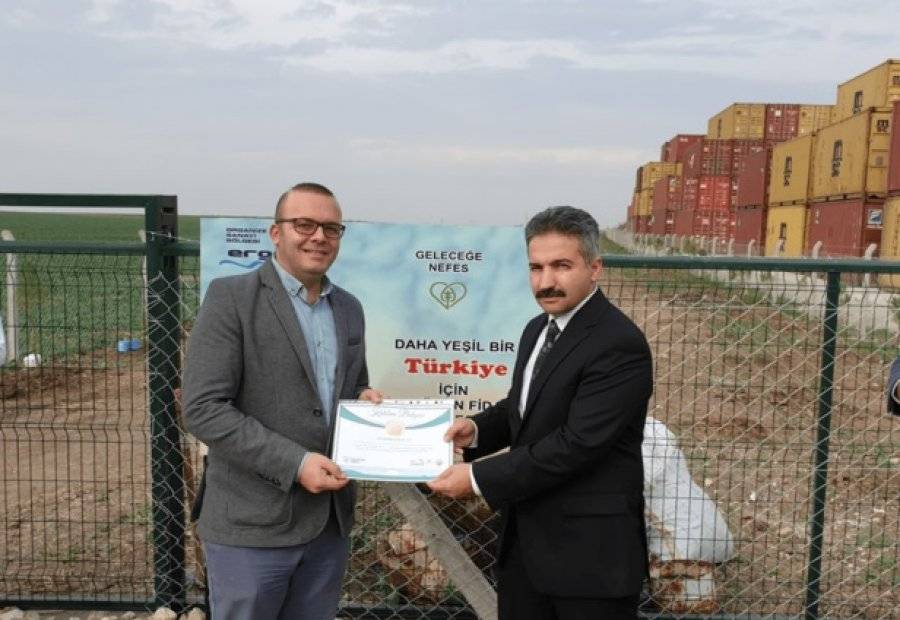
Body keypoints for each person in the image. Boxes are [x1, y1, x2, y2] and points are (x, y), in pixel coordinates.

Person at [428, 206, 653, 620]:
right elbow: (523, 406)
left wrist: (477, 478)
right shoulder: (537, 329)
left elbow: (577, 444)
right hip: (526, 552)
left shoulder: (618, 343)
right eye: (536, 267)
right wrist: (475, 430)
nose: (545, 281)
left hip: (589, 562)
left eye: (561, 266)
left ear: (595, 268)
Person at [183, 182, 383, 620]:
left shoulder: (349, 308)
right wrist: (295, 463)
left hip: (328, 523)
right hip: (252, 525)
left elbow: (351, 386)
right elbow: (203, 409)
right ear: (276, 233)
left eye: (331, 228)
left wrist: (362, 401)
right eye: (304, 224)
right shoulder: (232, 298)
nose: (319, 237)